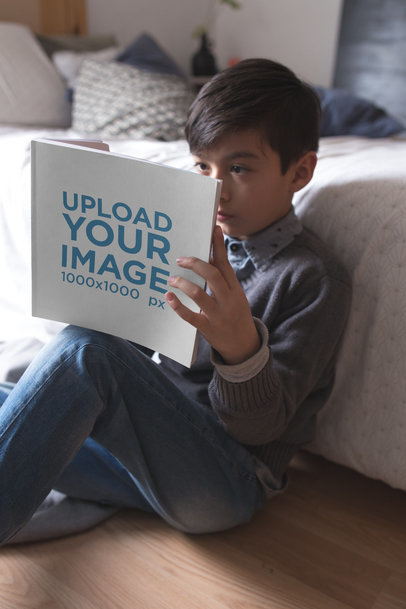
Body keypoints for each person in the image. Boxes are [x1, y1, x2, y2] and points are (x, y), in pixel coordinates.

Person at [0, 58, 351, 545]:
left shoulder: (313, 279)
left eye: (240, 168)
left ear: (300, 171)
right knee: (20, 394)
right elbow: (134, 365)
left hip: (227, 478)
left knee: (85, 350)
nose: (216, 188)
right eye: (203, 166)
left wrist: (240, 352)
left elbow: (260, 432)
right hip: (143, 452)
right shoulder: (185, 237)